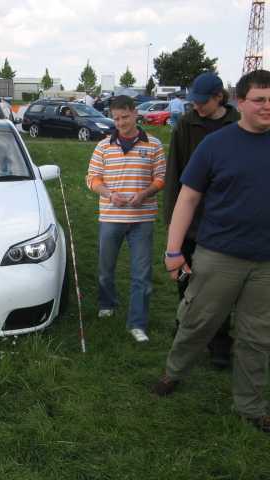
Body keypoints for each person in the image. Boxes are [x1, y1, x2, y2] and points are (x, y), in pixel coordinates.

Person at [153, 70, 270, 433]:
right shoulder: (217, 144)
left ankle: (251, 406)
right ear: (240, 101)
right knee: (197, 321)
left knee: (258, 335)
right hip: (219, 255)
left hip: (266, 263)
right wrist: (174, 250)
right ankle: (174, 372)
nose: (268, 106)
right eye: (260, 100)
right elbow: (187, 197)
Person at [163, 72, 240, 368]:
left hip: (224, 224)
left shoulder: (237, 125)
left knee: (222, 288)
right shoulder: (186, 124)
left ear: (219, 97)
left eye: (202, 102)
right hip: (189, 222)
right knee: (186, 282)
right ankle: (183, 332)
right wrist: (172, 221)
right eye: (193, 102)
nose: (197, 108)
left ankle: (220, 343)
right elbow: (175, 172)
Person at [86, 95, 166, 343]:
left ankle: (137, 323)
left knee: (141, 274)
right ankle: (107, 303)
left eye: (125, 117)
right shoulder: (103, 147)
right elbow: (92, 179)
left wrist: (145, 193)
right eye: (116, 118)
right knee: (105, 270)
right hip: (111, 217)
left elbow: (161, 179)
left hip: (142, 219)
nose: (120, 123)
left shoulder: (154, 145)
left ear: (135, 114)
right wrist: (109, 194)